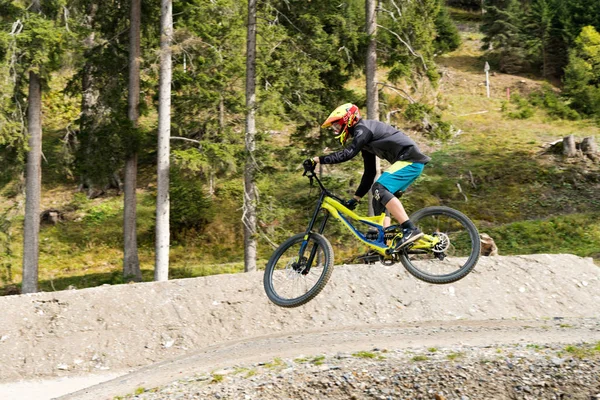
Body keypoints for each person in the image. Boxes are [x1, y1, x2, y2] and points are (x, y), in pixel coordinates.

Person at [310, 103, 431, 250]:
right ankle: (386, 241)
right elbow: (369, 172)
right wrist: (356, 198)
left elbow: (348, 153)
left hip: (410, 160)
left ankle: (410, 229)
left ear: (348, 120)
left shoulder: (363, 129)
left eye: (337, 125)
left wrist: (318, 160)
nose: (336, 130)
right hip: (408, 163)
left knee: (379, 188)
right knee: (379, 199)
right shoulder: (366, 140)